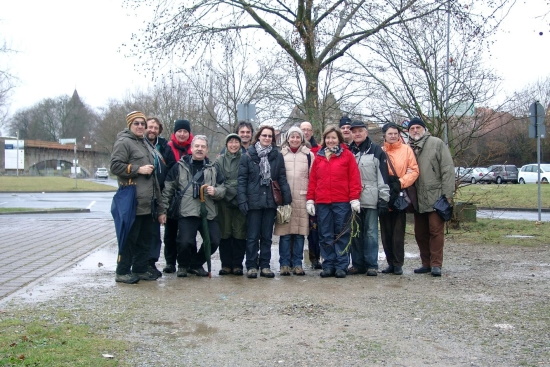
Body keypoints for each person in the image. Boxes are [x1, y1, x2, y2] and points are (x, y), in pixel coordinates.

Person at [158, 135, 226, 277]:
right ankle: (183, 265)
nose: (199, 149)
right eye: (197, 146)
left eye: (203, 147)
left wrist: (216, 191)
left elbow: (223, 189)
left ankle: (195, 264)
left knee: (214, 240)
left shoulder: (214, 169)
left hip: (208, 211)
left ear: (207, 149)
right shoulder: (179, 166)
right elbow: (168, 190)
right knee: (184, 241)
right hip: (187, 211)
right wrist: (162, 210)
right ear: (191, 148)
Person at [110, 111, 161, 284]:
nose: (140, 126)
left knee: (144, 239)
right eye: (136, 123)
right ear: (130, 125)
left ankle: (139, 269)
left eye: (142, 123)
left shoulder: (144, 143)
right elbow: (115, 166)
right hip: (132, 200)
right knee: (130, 238)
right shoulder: (124, 142)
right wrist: (137, 169)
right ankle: (122, 271)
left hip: (147, 202)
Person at [306, 126, 361, 278]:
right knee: (325, 234)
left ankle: (341, 265)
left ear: (339, 139)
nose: (331, 141)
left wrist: (354, 198)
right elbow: (313, 180)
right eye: (328, 138)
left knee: (342, 234)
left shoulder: (347, 156)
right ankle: (328, 264)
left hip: (342, 201)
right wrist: (310, 199)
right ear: (324, 140)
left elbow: (354, 178)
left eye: (333, 138)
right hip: (323, 202)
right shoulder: (319, 157)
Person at [237, 125, 292, 279]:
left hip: (270, 201)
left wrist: (286, 199)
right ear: (259, 137)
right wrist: (242, 200)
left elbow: (281, 177)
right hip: (253, 201)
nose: (267, 138)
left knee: (267, 236)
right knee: (252, 236)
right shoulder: (248, 155)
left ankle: (265, 265)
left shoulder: (277, 155)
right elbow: (242, 180)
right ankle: (251, 265)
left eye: (270, 136)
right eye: (264, 135)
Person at [407, 117, 455, 277]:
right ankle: (425, 263)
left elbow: (447, 169)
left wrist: (448, 195)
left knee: (435, 230)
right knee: (420, 233)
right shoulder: (408, 148)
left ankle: (436, 264)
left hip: (436, 196)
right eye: (412, 128)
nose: (415, 130)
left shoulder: (436, 143)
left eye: (418, 127)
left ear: (424, 129)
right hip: (417, 198)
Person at [348, 120, 390, 277]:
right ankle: (357, 264)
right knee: (355, 233)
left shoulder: (376, 151)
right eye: (354, 131)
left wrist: (384, 197)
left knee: (371, 233)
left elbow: (382, 176)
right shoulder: (348, 151)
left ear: (366, 132)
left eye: (360, 131)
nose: (357, 134)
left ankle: (372, 264)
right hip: (353, 199)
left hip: (371, 199)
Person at [379, 122, 419, 275]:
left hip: (399, 193)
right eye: (390, 133)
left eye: (395, 133)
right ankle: (390, 262)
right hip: (384, 193)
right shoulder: (381, 151)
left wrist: (400, 183)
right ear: (385, 135)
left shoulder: (406, 150)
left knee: (398, 231)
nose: (393, 136)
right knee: (385, 231)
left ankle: (398, 263)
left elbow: (414, 170)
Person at [274, 126, 314, 276]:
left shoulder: (309, 156)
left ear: (302, 139)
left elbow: (313, 178)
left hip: (302, 199)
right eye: (292, 137)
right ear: (287, 138)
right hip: (285, 199)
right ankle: (284, 264)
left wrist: (311, 199)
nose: (295, 139)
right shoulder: (281, 155)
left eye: (298, 137)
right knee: (285, 233)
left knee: (299, 233)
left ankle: (297, 263)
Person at [162, 119, 194, 273]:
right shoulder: (167, 148)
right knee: (170, 232)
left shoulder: (194, 148)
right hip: (172, 195)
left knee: (187, 234)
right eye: (179, 131)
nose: (182, 134)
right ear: (174, 133)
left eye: (185, 131)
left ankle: (186, 262)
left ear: (189, 133)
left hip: (189, 198)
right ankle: (170, 262)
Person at [215, 133, 247, 276]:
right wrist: (228, 191)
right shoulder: (219, 161)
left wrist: (236, 191)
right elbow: (218, 180)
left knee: (240, 233)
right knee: (225, 233)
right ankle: (226, 264)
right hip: (224, 202)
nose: (233, 145)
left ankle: (238, 264)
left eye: (236, 142)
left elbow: (246, 179)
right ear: (226, 144)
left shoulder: (246, 159)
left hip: (241, 200)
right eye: (231, 142)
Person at [145, 117, 168, 277]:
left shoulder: (164, 147)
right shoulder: (138, 144)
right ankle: (139, 263)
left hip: (158, 195)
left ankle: (151, 263)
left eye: (155, 128)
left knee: (154, 233)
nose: (152, 130)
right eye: (149, 127)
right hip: (142, 195)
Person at [300, 121, 322, 269]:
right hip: (299, 193)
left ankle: (315, 259)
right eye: (303, 130)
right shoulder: (293, 149)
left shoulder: (318, 150)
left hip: (315, 194)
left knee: (315, 229)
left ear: (312, 132)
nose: (306, 132)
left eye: (308, 130)